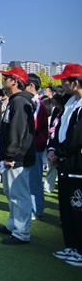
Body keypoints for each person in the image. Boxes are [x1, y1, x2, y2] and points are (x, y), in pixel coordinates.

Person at [0, 67, 35, 245]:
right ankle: (13, 225)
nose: (4, 80)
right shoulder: (15, 100)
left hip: (18, 157)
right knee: (10, 192)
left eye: (7, 78)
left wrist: (10, 155)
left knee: (19, 195)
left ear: (15, 81)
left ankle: (22, 233)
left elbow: (17, 131)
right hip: (12, 156)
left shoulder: (20, 101)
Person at [49, 63, 82, 266]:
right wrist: (53, 149)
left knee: (78, 208)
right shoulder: (70, 102)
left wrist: (60, 151)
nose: (62, 84)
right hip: (65, 163)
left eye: (65, 81)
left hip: (77, 164)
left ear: (75, 83)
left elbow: (77, 137)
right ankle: (71, 245)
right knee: (67, 208)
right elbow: (58, 128)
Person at [26, 73, 49, 220]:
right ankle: (33, 208)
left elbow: (34, 126)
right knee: (30, 180)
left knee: (35, 180)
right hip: (31, 146)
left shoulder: (38, 103)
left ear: (31, 85)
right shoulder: (32, 102)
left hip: (35, 146)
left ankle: (37, 210)